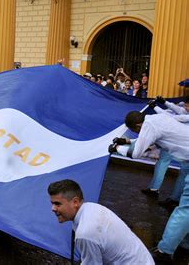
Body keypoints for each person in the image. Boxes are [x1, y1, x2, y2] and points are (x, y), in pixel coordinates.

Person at [123, 111, 189, 262]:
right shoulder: (157, 117)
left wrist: (117, 149)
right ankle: (184, 243)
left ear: (139, 125)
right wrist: (127, 142)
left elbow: (136, 153)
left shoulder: (149, 125)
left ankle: (164, 251)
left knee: (185, 209)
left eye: (137, 131)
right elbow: (146, 139)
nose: (140, 134)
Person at [48, 179, 154, 264]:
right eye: (52, 203)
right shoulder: (92, 207)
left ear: (75, 202)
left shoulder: (85, 234)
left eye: (57, 204)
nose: (53, 208)